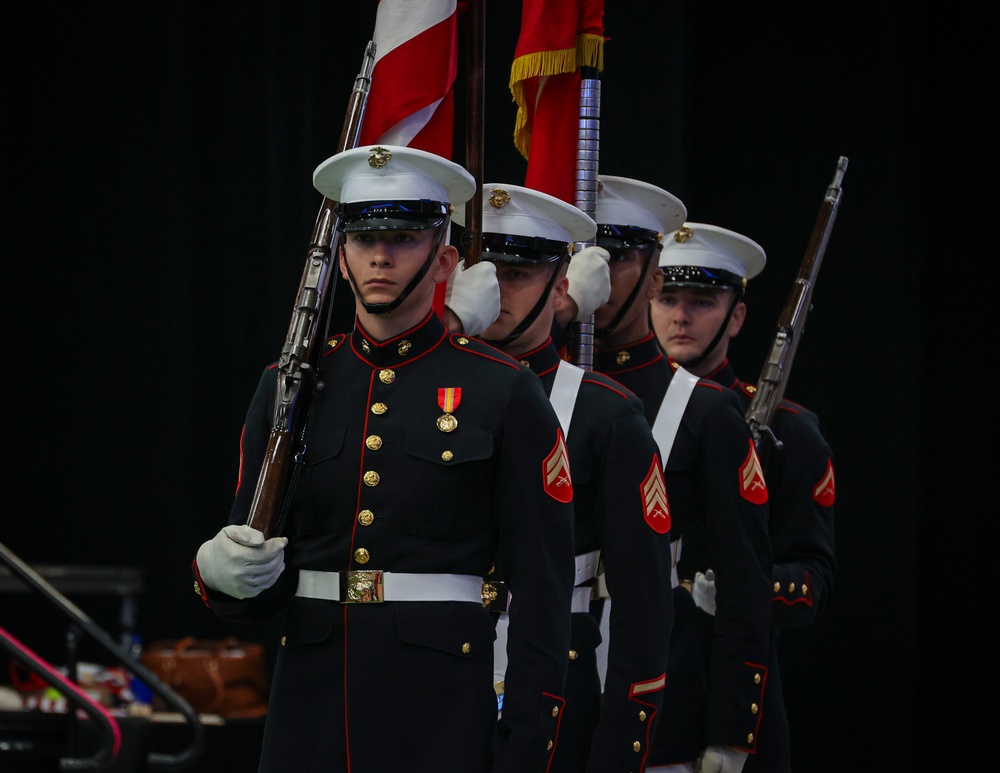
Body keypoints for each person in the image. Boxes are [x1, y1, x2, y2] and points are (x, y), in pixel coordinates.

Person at [191, 144, 576, 773]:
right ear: (340, 259)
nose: (380, 255)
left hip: (439, 714)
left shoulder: (501, 390)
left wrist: (526, 747)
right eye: (363, 238)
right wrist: (222, 574)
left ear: (445, 258)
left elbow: (541, 590)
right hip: (309, 707)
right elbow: (254, 570)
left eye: (402, 237)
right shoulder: (293, 384)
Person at [452, 183, 675, 772]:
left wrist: (619, 749)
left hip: (557, 690)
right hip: (439, 677)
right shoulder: (436, 394)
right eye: (486, 271)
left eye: (519, 274)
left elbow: (642, 606)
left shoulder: (605, 412)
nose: (496, 290)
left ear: (560, 290)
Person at [586, 176, 773, 773]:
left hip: (660, 693)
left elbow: (745, 584)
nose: (597, 272)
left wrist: (732, 732)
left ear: (653, 275)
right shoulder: (537, 390)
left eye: (617, 259)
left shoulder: (706, 410)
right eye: (585, 256)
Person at [650, 222, 837, 773]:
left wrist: (744, 587)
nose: (680, 316)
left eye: (702, 302)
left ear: (735, 316)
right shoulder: (622, 411)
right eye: (667, 298)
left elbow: (814, 579)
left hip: (727, 688)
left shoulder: (788, 431)